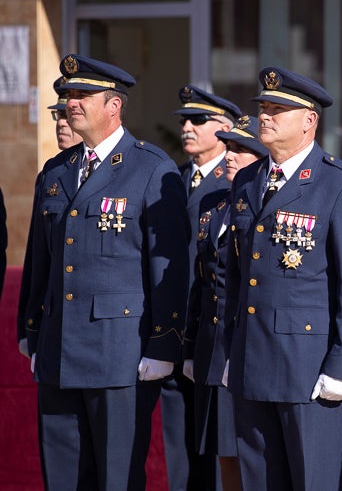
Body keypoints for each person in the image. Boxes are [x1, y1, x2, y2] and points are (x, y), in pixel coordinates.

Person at [21, 54, 189, 489]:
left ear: (113, 105)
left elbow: (167, 266)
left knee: (116, 478)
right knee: (62, 477)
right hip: (59, 352)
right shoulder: (56, 171)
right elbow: (41, 260)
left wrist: (163, 346)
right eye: (67, 95)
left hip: (120, 355)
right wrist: (33, 332)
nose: (70, 103)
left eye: (81, 95)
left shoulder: (151, 169)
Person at [223, 66, 342, 489]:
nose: (265, 116)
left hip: (308, 370)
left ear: (309, 121)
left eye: (278, 109)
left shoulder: (341, 186)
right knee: (259, 479)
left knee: (314, 480)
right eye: (264, 107)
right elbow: (238, 277)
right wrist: (230, 350)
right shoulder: (247, 181)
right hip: (252, 363)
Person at [163, 84, 241, 491]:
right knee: (178, 443)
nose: (187, 127)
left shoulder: (233, 186)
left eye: (198, 120)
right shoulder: (173, 179)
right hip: (171, 329)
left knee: (214, 448)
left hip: (209, 330)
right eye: (183, 121)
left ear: (225, 129)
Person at [183, 115, 265, 491]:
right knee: (222, 453)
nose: (230, 156)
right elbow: (201, 282)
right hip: (213, 350)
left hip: (248, 347)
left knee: (254, 457)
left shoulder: (266, 205)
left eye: (241, 149)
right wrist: (189, 346)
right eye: (228, 147)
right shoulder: (213, 204)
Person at [18, 77, 84, 357]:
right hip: (53, 322)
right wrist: (27, 325)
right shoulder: (49, 174)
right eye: (58, 115)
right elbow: (36, 258)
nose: (61, 123)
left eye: (68, 116)